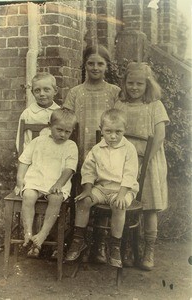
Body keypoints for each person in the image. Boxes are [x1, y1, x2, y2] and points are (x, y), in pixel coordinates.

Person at [63, 44, 121, 263]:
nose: (95, 68)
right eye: (91, 63)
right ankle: (79, 241)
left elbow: (120, 124)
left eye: (100, 63)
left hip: (108, 156)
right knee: (83, 196)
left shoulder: (114, 92)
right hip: (81, 154)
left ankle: (101, 243)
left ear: (107, 66)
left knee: (106, 194)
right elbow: (66, 122)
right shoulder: (75, 93)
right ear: (84, 65)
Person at [65, 108, 139, 268]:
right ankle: (78, 240)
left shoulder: (129, 149)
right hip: (101, 188)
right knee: (84, 201)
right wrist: (88, 189)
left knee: (119, 205)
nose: (113, 136)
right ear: (101, 129)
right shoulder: (97, 149)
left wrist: (121, 194)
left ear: (125, 130)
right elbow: (88, 170)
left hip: (122, 189)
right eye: (108, 131)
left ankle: (115, 246)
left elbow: (130, 173)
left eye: (118, 132)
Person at [115, 62, 169, 270]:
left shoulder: (155, 106)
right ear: (124, 83)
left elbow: (159, 137)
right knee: (127, 205)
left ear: (148, 85)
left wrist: (143, 163)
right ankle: (129, 246)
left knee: (148, 207)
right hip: (125, 162)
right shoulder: (120, 105)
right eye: (130, 83)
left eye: (139, 84)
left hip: (149, 162)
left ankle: (149, 250)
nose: (134, 88)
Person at [14, 108, 78, 258]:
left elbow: (69, 168)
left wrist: (59, 184)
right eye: (59, 130)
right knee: (28, 195)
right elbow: (24, 161)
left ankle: (42, 234)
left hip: (56, 183)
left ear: (72, 131)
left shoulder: (70, 146)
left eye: (67, 132)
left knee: (56, 198)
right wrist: (19, 179)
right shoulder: (38, 141)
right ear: (50, 126)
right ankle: (28, 232)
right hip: (36, 179)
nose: (63, 135)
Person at [15, 72, 60, 151]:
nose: (42, 94)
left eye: (46, 90)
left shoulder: (60, 113)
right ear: (32, 93)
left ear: (55, 91)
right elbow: (20, 142)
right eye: (37, 90)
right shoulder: (27, 114)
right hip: (32, 159)